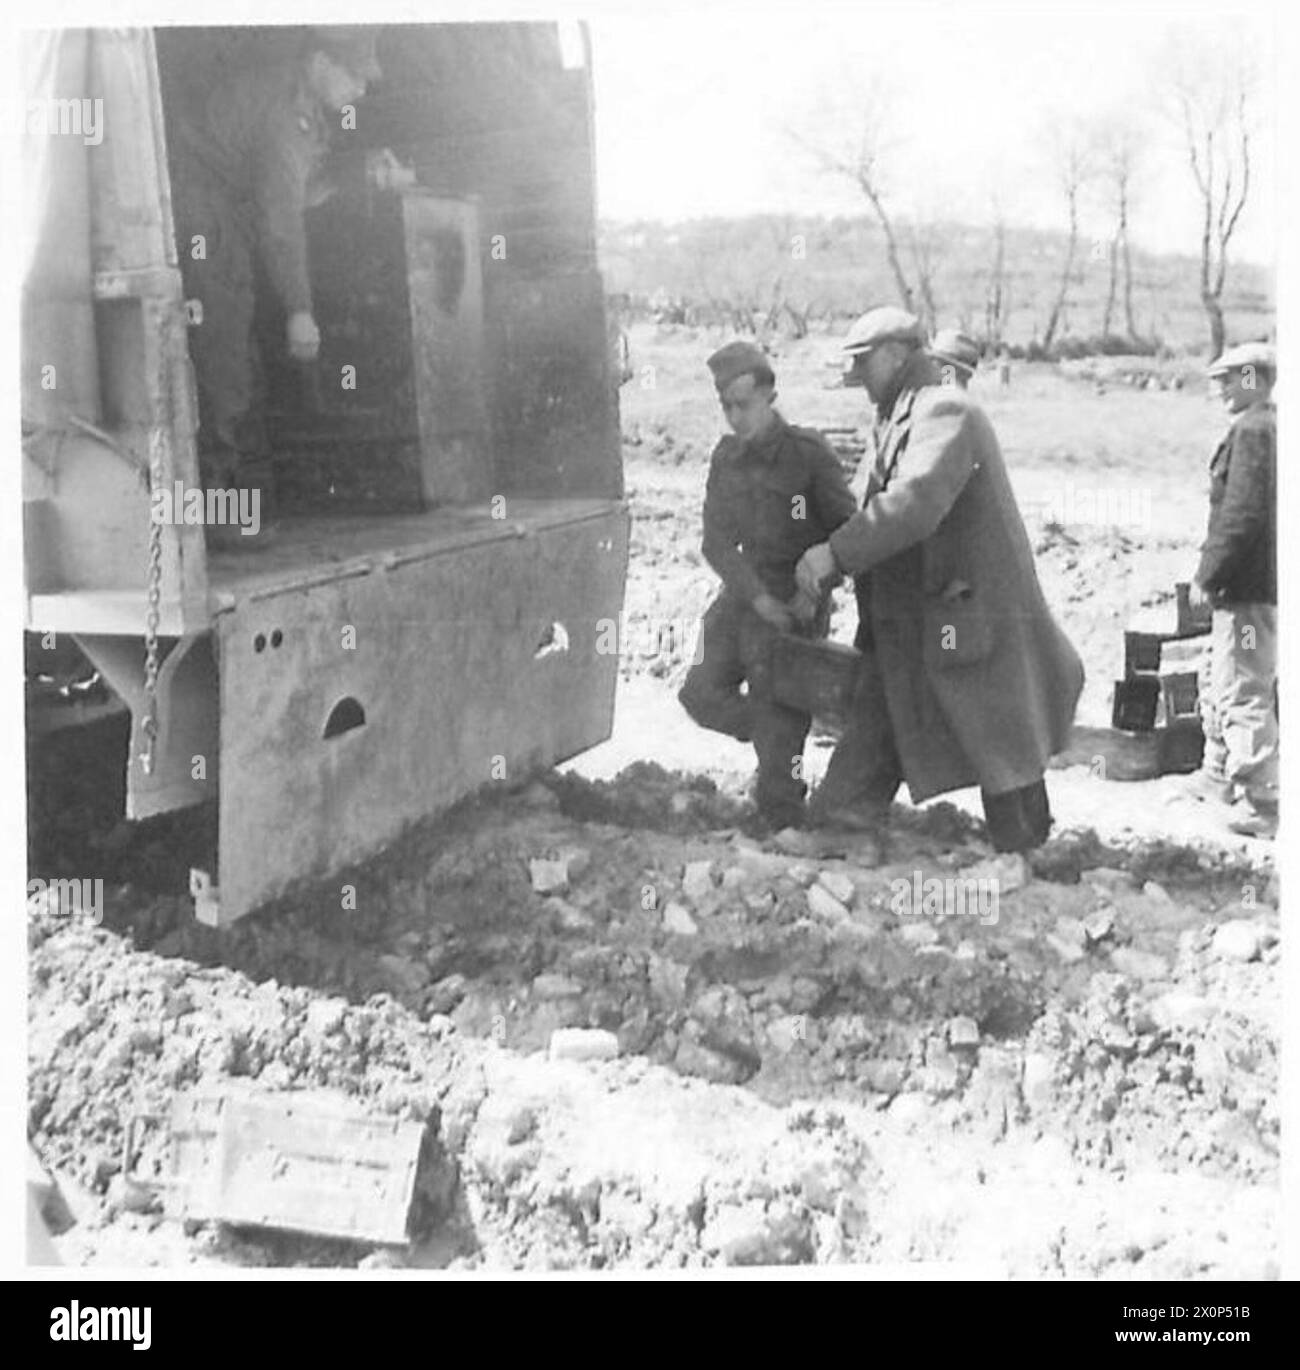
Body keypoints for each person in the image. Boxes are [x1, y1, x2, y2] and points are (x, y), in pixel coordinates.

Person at [796, 307, 1083, 858]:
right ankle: (845, 822)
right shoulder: (904, 415)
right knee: (917, 713)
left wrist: (832, 556)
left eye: (863, 366)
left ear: (896, 354)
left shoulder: (945, 411)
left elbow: (912, 505)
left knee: (999, 728)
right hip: (917, 614)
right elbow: (872, 502)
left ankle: (1025, 850)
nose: (860, 383)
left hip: (962, 612)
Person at [169, 28, 382, 547]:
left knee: (237, 354)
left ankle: (241, 507)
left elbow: (294, 190)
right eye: (353, 75)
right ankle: (212, 519)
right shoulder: (285, 114)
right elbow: (281, 218)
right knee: (222, 354)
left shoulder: (304, 110)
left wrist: (366, 175)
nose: (359, 89)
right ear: (320, 62)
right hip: (204, 209)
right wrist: (300, 310)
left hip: (224, 208)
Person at [678, 341, 858, 831]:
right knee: (699, 694)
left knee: (780, 721)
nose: (736, 418)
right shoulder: (727, 458)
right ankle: (775, 734)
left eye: (745, 404)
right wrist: (755, 598)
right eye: (727, 407)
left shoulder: (808, 455)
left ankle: (782, 821)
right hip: (745, 594)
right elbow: (715, 543)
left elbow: (849, 535)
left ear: (769, 395)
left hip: (797, 602)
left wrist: (812, 590)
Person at [1185, 342, 1278, 838]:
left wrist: (1208, 574)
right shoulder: (1261, 428)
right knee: (1223, 677)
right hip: (1246, 590)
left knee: (1243, 685)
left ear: (1257, 379)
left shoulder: (1256, 431)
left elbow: (1241, 515)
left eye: (1231, 377)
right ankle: (1219, 777)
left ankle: (1261, 800)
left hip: (1246, 592)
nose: (1220, 387)